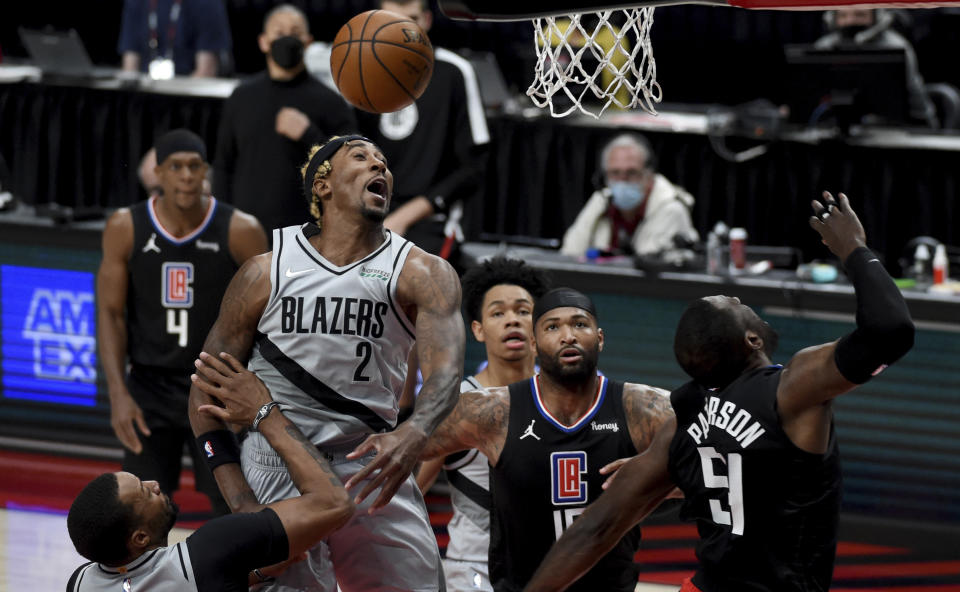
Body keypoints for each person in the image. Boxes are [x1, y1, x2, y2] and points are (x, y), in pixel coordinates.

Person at [524, 192, 916, 592]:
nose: (745, 301)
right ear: (751, 339)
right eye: (739, 303)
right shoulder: (791, 389)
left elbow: (595, 526)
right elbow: (890, 331)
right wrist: (853, 247)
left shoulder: (682, 423)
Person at [190, 135, 465, 591]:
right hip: (275, 462)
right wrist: (239, 498)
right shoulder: (266, 270)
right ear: (323, 185)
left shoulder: (422, 271)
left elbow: (447, 374)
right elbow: (203, 392)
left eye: (384, 161)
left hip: (368, 462)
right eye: (360, 157)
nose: (379, 165)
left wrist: (414, 432)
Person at [411, 287, 674, 592]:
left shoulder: (643, 408)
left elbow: (712, 471)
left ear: (600, 338)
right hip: (503, 579)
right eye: (553, 327)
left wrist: (653, 478)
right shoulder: (489, 411)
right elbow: (407, 449)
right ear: (534, 344)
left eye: (579, 324)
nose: (568, 336)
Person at [66, 351, 355, 591]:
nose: (154, 483)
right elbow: (334, 504)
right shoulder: (209, 550)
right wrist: (264, 412)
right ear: (140, 538)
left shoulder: (81, 582)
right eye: (145, 491)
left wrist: (257, 574)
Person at [97, 129, 267, 517]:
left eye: (194, 166)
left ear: (206, 171)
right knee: (140, 510)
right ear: (158, 173)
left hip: (214, 387)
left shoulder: (240, 229)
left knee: (232, 505)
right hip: (149, 388)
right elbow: (110, 314)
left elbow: (268, 314)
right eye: (176, 167)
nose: (187, 176)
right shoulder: (125, 226)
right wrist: (118, 394)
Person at [415, 256, 552, 592]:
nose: (513, 321)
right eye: (498, 313)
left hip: (551, 568)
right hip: (474, 571)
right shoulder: (456, 403)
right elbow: (410, 490)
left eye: (523, 311)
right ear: (477, 329)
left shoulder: (564, 399)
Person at [354, 0, 490, 257]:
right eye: (391, 22)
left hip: (431, 221)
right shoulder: (360, 71)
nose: (401, 31)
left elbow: (473, 167)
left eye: (411, 20)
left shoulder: (454, 71)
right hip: (369, 213)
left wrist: (405, 216)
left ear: (427, 20)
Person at [214, 4, 357, 237]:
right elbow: (223, 165)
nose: (287, 39)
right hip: (246, 234)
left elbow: (349, 170)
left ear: (308, 41)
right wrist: (222, 223)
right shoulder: (241, 97)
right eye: (279, 33)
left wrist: (310, 136)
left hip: (308, 235)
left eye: (295, 33)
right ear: (263, 41)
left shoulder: (332, 102)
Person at [560, 133, 699, 258]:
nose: (622, 181)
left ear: (648, 174)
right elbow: (570, 252)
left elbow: (645, 267)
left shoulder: (671, 209)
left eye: (631, 173)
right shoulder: (602, 200)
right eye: (615, 173)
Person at [815, 8, 937, 127]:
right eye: (843, 16)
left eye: (860, 15)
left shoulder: (895, 47)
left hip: (888, 129)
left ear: (875, 16)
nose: (850, 21)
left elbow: (916, 98)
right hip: (832, 128)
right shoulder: (824, 47)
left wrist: (929, 126)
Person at [117, 0, 232, 78]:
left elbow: (206, 71)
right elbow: (130, 67)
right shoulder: (136, 3)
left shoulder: (207, 3)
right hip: (146, 97)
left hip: (188, 99)